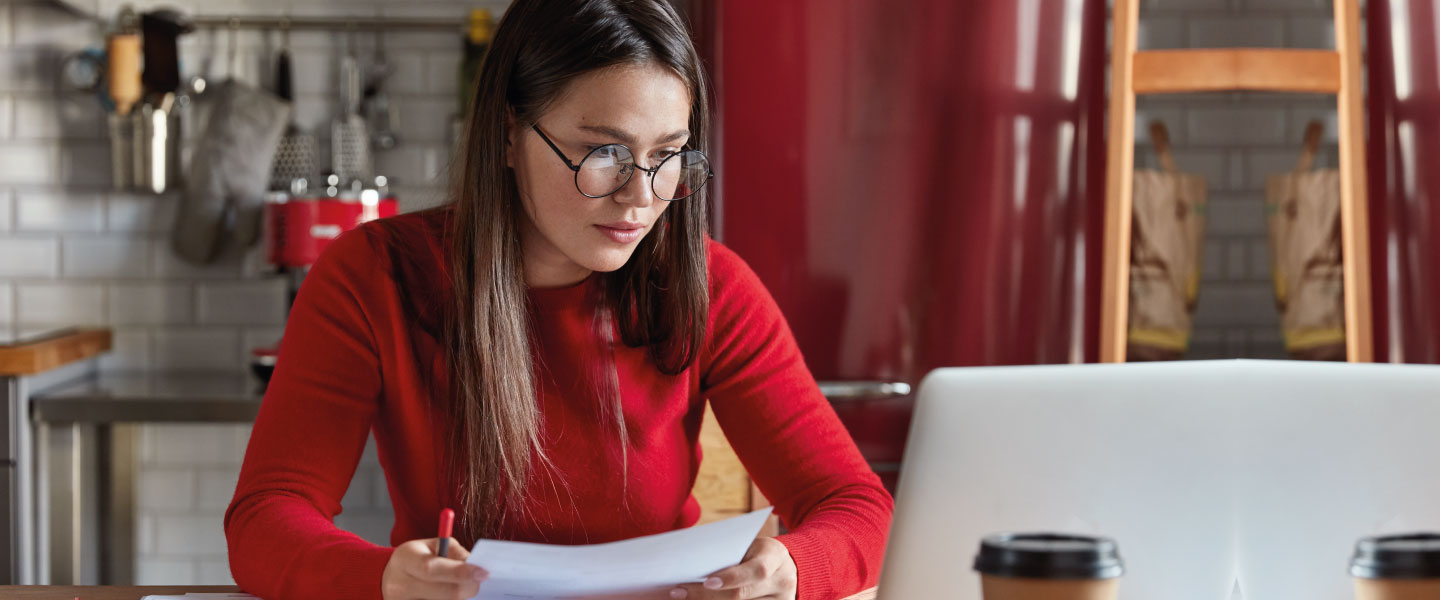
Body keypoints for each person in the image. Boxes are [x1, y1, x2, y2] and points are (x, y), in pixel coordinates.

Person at [224, 1, 893, 599]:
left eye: (668, 155)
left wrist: (793, 567)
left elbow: (857, 506)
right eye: (604, 152)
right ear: (510, 135)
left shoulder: (713, 286)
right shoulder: (373, 277)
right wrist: (381, 579)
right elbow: (266, 518)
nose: (641, 196)